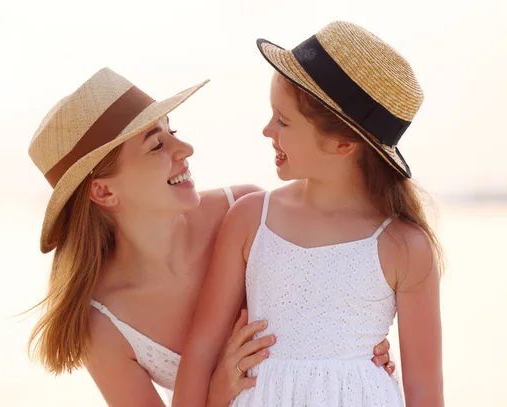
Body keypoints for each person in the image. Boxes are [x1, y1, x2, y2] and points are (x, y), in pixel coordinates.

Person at [26, 67, 395, 407]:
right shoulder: (104, 326)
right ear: (104, 193)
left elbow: (338, 299)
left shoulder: (246, 211)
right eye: (156, 146)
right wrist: (217, 394)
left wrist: (364, 350)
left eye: (173, 132)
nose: (184, 150)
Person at [173, 21, 444, 407]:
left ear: (343, 143)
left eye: (283, 121)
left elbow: (426, 393)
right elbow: (200, 351)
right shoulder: (251, 219)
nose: (267, 129)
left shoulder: (405, 246)